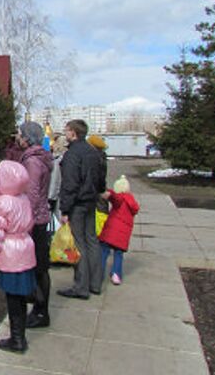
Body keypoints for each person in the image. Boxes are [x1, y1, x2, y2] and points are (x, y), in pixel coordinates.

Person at [0, 160, 37, 353]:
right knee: (20, 297)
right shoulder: (24, 199)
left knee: (12, 298)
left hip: (9, 254)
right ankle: (19, 335)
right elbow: (30, 223)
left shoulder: (2, 203)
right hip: (25, 249)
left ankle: (17, 339)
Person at [57, 119, 103, 299]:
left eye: (67, 130)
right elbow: (100, 178)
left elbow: (70, 184)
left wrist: (65, 210)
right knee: (92, 240)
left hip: (77, 203)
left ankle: (81, 287)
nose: (65, 133)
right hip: (91, 201)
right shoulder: (93, 152)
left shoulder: (72, 155)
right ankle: (95, 283)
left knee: (78, 243)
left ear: (73, 133)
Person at [15, 122, 54, 328]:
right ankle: (40, 309)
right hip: (41, 218)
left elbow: (31, 196)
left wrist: (23, 224)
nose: (17, 137)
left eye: (20, 134)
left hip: (34, 221)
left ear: (27, 138)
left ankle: (40, 312)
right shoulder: (42, 158)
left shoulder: (32, 162)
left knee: (37, 268)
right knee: (41, 268)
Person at [99, 175, 140, 285]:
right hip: (122, 236)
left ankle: (99, 273)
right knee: (118, 255)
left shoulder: (120, 199)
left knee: (103, 252)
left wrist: (107, 191)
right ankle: (116, 274)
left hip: (111, 232)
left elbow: (113, 197)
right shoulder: (131, 201)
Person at [87, 134, 109, 213]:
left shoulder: (94, 158)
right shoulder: (102, 156)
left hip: (95, 191)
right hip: (99, 190)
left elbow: (100, 176)